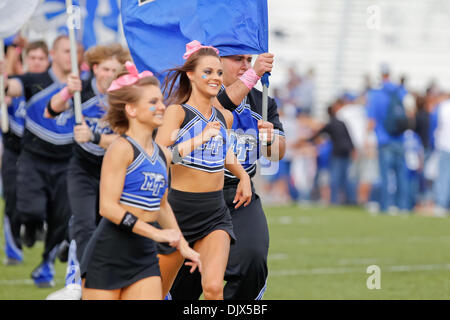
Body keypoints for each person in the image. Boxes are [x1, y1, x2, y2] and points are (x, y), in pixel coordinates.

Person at [165, 47, 286, 300]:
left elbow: (275, 154)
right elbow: (164, 154)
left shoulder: (262, 104)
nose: (245, 65)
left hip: (236, 199)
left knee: (246, 264)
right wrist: (253, 74)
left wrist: (267, 142)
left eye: (249, 60)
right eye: (237, 60)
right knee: (178, 285)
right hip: (187, 199)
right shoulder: (198, 101)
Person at [80, 62, 201, 300]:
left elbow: (162, 206)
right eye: (153, 102)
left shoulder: (162, 154)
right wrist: (156, 235)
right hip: (109, 253)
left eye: (161, 101)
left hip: (144, 255)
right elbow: (108, 207)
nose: (161, 107)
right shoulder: (121, 148)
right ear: (132, 110)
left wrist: (183, 245)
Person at [155, 40, 252, 300]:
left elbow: (224, 152)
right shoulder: (176, 113)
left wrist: (243, 175)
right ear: (190, 74)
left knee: (213, 288)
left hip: (214, 213)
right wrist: (197, 139)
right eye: (207, 72)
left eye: (219, 72)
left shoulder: (224, 117)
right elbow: (157, 157)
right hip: (177, 213)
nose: (215, 78)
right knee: (157, 292)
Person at [44, 44, 129, 300]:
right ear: (94, 68)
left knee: (111, 226)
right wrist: (67, 91)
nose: (109, 74)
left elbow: (128, 140)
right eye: (105, 68)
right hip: (82, 168)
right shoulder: (82, 90)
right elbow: (51, 110)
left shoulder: (124, 96)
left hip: (113, 171)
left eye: (115, 70)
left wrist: (93, 135)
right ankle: (80, 283)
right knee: (83, 225)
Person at [3, 35, 79, 287]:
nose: (71, 57)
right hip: (34, 159)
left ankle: (45, 265)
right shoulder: (34, 80)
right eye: (66, 51)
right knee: (31, 209)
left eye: (74, 52)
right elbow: (9, 87)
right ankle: (30, 226)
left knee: (60, 219)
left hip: (67, 162)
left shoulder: (83, 85)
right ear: (53, 55)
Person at [2, 40, 50, 266]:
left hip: (39, 152)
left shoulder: (50, 85)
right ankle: (14, 249)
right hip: (14, 149)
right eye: (33, 58)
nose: (37, 62)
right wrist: (11, 50)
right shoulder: (17, 83)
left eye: (41, 58)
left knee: (44, 197)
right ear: (26, 60)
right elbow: (7, 81)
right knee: (12, 198)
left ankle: (36, 227)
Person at [366, 66, 412, 213]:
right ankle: (403, 206)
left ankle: (387, 206)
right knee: (401, 175)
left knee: (385, 176)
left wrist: (366, 139)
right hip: (400, 138)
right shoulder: (400, 91)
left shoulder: (375, 94)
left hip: (383, 139)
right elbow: (410, 113)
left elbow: (371, 120)